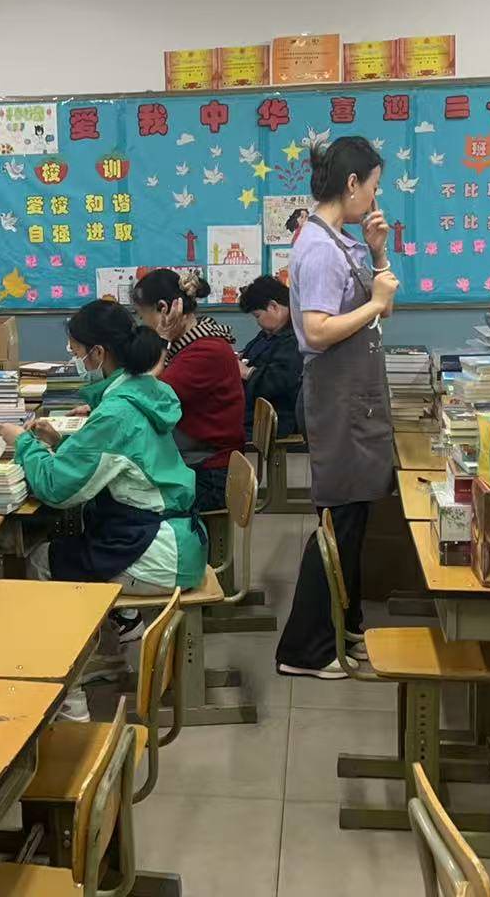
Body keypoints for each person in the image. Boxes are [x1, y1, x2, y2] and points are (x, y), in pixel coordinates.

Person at [0, 300, 207, 719]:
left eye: (76, 351)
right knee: (69, 546)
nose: (74, 359)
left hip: (158, 549)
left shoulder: (116, 412)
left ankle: (69, 699)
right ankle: (106, 649)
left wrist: (23, 444)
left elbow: (57, 489)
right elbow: (115, 461)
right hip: (175, 535)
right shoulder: (141, 389)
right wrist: (61, 443)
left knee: (41, 562)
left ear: (98, 352)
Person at [275, 136, 398, 680]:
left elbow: (380, 307)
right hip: (336, 400)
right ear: (352, 183)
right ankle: (304, 650)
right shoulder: (320, 248)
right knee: (337, 526)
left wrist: (378, 253)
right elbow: (319, 330)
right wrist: (375, 302)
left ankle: (345, 625)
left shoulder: (338, 240)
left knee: (352, 522)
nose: (374, 199)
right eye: (373, 187)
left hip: (352, 400)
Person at [130, 270, 246, 512]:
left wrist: (161, 338)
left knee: (122, 500)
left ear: (163, 309)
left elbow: (152, 397)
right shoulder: (191, 342)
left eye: (142, 316)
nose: (143, 324)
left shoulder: (205, 350)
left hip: (209, 473)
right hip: (195, 459)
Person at [238, 274, 303, 439]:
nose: (258, 322)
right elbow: (250, 353)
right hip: (252, 414)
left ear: (274, 306)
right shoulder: (270, 333)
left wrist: (247, 372)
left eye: (257, 316)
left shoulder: (296, 338)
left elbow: (279, 381)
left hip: (276, 420)